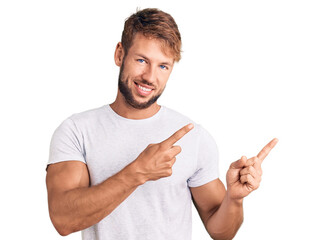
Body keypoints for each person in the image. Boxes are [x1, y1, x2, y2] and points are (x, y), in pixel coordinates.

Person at [46, 8, 278, 240]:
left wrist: (234, 200)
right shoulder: (76, 131)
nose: (149, 76)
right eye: (141, 60)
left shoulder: (191, 135)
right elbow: (63, 220)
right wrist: (137, 172)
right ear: (119, 54)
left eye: (163, 66)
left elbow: (221, 232)